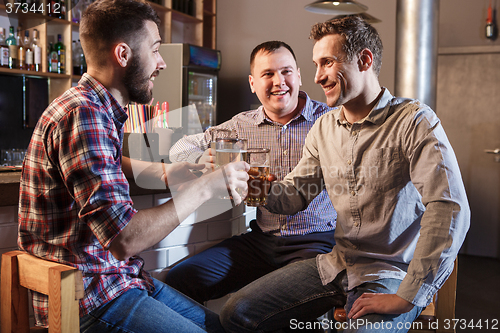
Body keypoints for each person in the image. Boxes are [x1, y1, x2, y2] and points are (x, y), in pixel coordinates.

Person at [219, 16, 470, 333]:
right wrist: (249, 184)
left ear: (364, 60)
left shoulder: (414, 120)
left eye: (327, 63)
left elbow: (449, 208)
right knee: (236, 314)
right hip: (335, 265)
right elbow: (295, 194)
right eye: (316, 64)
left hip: (391, 274)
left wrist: (408, 297)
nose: (317, 76)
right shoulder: (324, 128)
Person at [17, 0, 249, 332]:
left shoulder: (89, 107)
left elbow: (103, 163)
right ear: (123, 55)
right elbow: (125, 239)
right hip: (91, 295)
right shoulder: (85, 116)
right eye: (155, 49)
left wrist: (169, 172)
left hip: (117, 279)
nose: (162, 63)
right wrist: (207, 188)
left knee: (220, 327)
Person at [166, 40, 337, 304]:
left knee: (269, 307)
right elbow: (179, 148)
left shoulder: (331, 121)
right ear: (252, 83)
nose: (279, 81)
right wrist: (201, 158)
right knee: (181, 280)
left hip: (316, 244)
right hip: (261, 242)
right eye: (267, 74)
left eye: (286, 71)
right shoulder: (240, 126)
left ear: (300, 76)